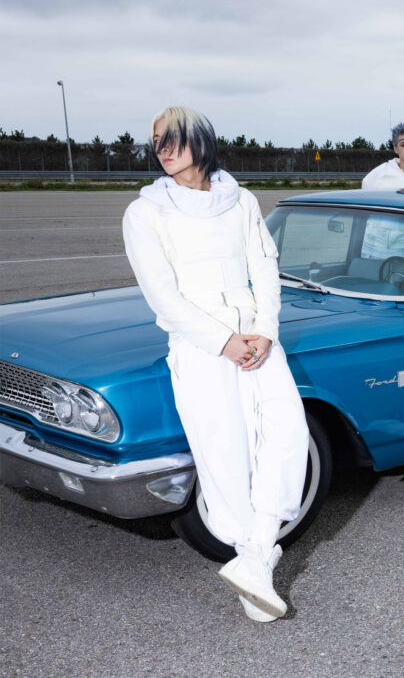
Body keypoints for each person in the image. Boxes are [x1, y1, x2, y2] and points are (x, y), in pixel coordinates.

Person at [122, 106, 309, 623]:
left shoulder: (241, 199)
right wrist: (223, 341)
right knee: (225, 454)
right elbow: (162, 296)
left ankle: (255, 560)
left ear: (200, 140)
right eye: (156, 141)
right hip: (201, 346)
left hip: (259, 339)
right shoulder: (144, 213)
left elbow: (265, 269)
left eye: (172, 138)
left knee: (288, 433)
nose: (162, 149)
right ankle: (256, 566)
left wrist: (265, 331)